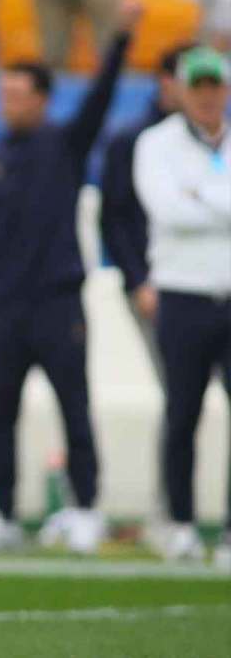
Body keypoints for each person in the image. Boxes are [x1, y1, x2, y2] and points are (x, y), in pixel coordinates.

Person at [0, 0, 142, 556]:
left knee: (74, 408)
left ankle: (85, 510)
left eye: (17, 94)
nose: (7, 103)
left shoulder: (65, 144)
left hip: (58, 304)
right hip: (4, 307)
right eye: (3, 94)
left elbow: (103, 97)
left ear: (42, 98)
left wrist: (122, 41)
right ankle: (3, 515)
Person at [132, 46, 230, 568]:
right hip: (182, 296)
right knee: (182, 415)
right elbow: (166, 210)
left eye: (217, 85)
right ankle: (184, 525)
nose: (210, 95)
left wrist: (201, 196)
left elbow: (189, 207)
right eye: (200, 86)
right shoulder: (155, 143)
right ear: (183, 92)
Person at [100, 44, 194, 384]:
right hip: (156, 284)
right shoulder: (131, 140)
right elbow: (114, 217)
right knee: (178, 390)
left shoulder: (216, 140)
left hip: (208, 283)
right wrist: (138, 280)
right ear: (166, 82)